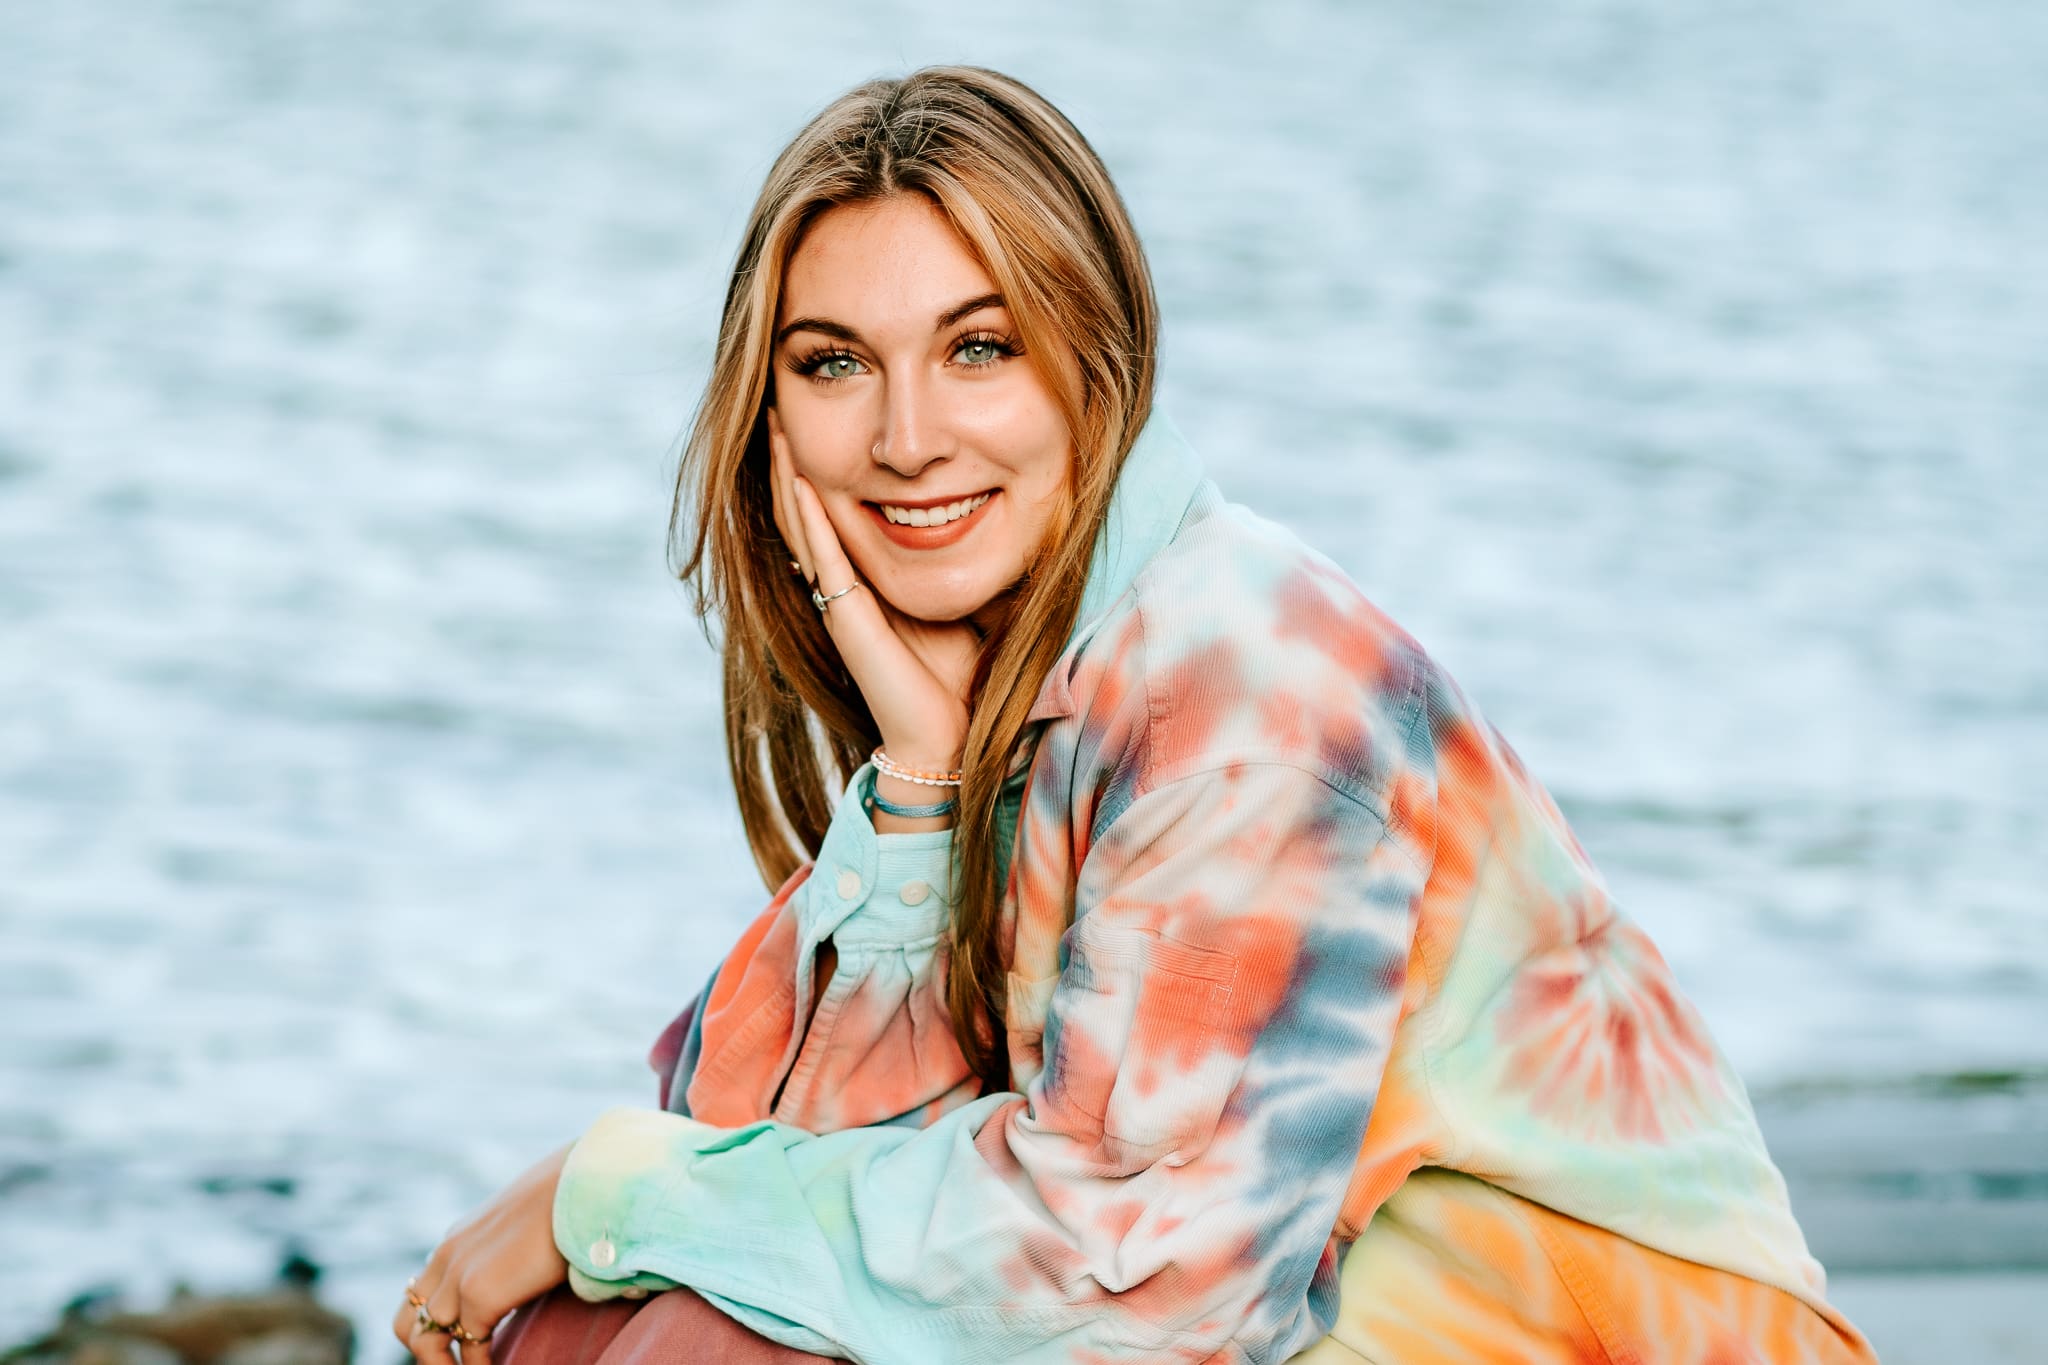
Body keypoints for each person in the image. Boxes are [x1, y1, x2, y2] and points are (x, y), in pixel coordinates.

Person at [392, 65, 1877, 1364]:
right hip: (1331, 1313)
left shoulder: (1239, 695)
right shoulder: (1033, 685)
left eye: (983, 347)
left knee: (701, 1309)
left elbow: (1139, 1295)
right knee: (622, 1313)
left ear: (1095, 360)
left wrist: (617, 1191)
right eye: (836, 364)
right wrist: (923, 788)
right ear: (769, 421)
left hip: (1578, 1329)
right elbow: (770, 1138)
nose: (909, 440)